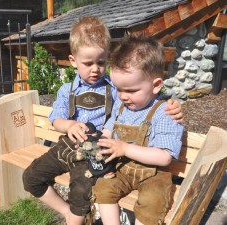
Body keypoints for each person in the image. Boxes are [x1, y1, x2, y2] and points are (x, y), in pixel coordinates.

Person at [23, 16, 183, 225]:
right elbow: (56, 118)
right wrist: (69, 125)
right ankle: (68, 213)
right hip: (71, 144)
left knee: (81, 192)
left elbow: (147, 97)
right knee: (31, 177)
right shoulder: (69, 91)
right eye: (88, 63)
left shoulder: (115, 89)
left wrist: (174, 105)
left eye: (100, 62)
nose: (95, 69)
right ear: (73, 61)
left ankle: (76, 218)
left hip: (96, 151)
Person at [92, 34, 184, 225]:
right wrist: (96, 142)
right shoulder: (120, 106)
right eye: (119, 89)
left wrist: (124, 148)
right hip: (124, 167)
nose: (123, 96)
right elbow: (108, 132)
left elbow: (165, 157)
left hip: (154, 174)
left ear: (156, 85)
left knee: (152, 202)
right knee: (103, 187)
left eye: (131, 90)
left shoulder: (165, 112)